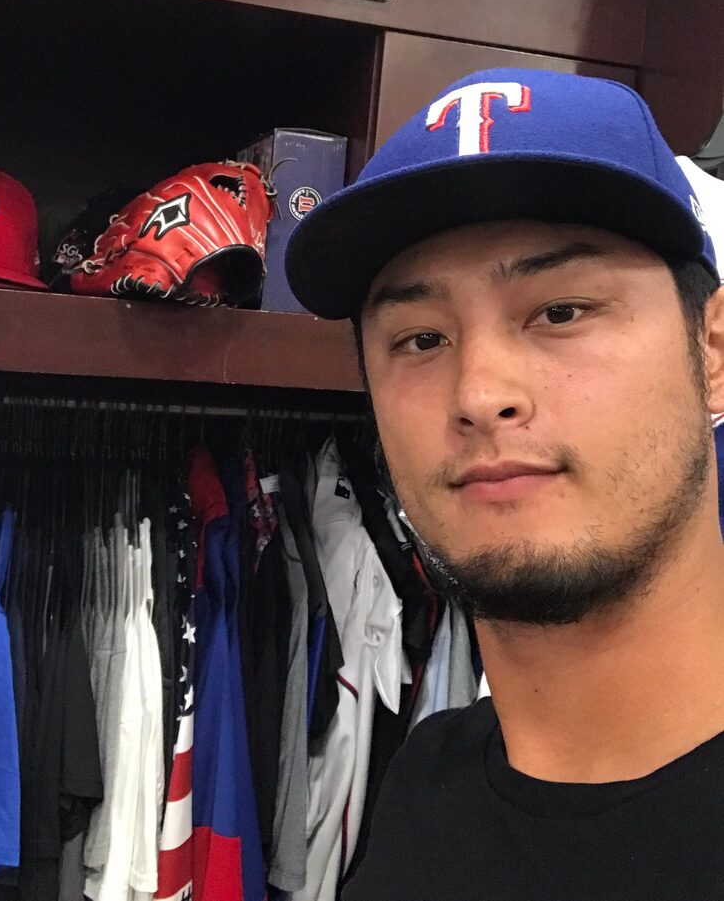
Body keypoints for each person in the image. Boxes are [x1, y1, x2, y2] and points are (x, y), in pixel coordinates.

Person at [284, 68, 724, 900]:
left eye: (561, 311)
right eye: (419, 338)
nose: (480, 395)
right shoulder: (426, 786)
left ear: (713, 351)